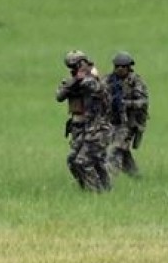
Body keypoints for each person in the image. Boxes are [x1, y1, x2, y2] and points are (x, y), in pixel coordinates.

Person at [56, 50, 113, 192]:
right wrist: (76, 79)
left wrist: (87, 76)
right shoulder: (73, 81)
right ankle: (90, 189)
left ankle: (97, 193)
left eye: (79, 64)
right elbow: (59, 96)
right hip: (80, 129)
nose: (76, 68)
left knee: (85, 161)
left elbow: (95, 87)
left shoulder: (94, 81)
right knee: (73, 161)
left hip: (97, 129)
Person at [105, 51, 150, 177]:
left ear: (129, 67)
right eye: (117, 66)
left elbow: (143, 102)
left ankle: (109, 180)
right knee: (121, 151)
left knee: (116, 149)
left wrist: (126, 103)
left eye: (123, 66)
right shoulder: (109, 80)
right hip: (111, 121)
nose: (119, 69)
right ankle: (135, 175)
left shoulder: (135, 81)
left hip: (129, 122)